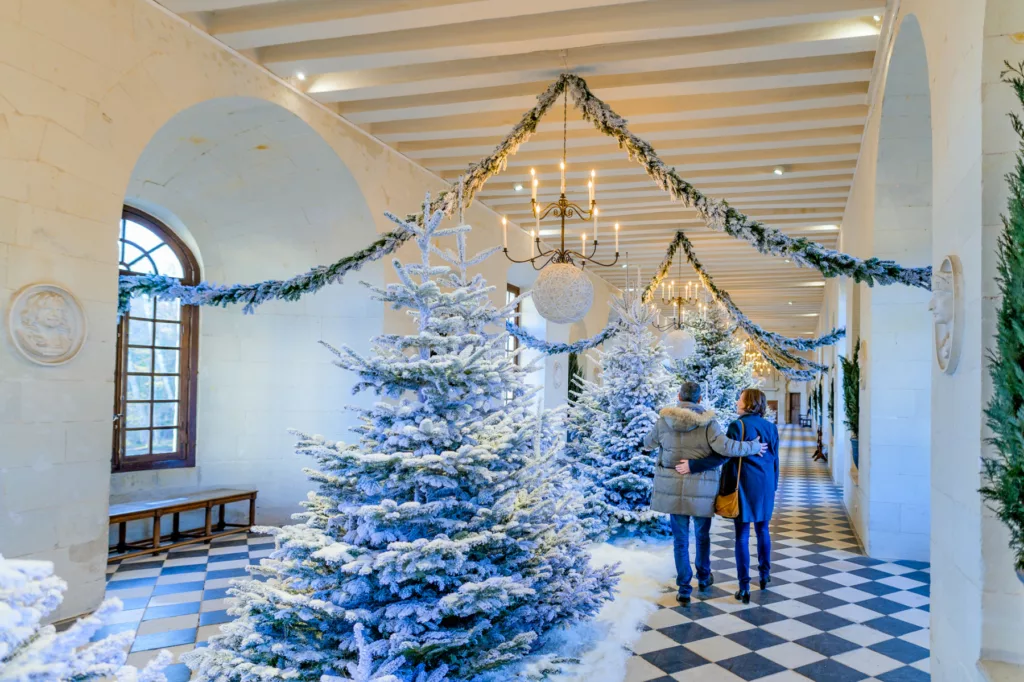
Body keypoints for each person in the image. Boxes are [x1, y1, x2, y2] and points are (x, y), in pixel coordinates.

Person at [643, 381, 767, 605]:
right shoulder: (709, 422)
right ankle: (703, 577)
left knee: (680, 541)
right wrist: (754, 447)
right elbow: (726, 448)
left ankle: (683, 588)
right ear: (700, 400)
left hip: (671, 489)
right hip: (702, 489)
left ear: (679, 396)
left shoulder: (663, 421)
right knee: (702, 537)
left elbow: (648, 443)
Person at [719, 388, 780, 603]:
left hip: (744, 484)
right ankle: (764, 575)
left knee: (742, 535)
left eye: (741, 398)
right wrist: (774, 485)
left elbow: (729, 457)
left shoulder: (738, 426)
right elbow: (775, 459)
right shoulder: (771, 427)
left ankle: (744, 586)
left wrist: (724, 487)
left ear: (749, 403)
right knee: (763, 530)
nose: (737, 401)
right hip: (765, 484)